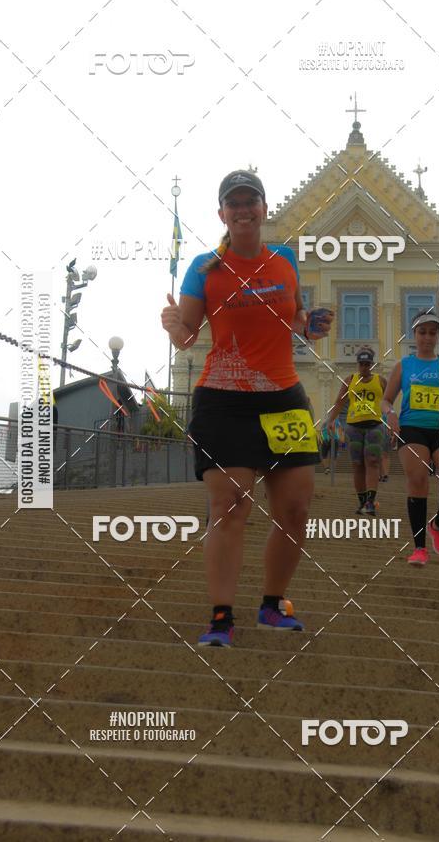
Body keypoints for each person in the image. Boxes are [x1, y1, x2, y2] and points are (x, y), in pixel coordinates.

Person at [160, 170, 333, 646]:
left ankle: (272, 607)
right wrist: (173, 323)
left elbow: (294, 318)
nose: (242, 209)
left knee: (295, 509)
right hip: (224, 400)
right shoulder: (206, 266)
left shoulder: (285, 261)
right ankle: (221, 618)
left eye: (250, 200)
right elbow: (189, 335)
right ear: (222, 214)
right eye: (232, 202)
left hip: (283, 397)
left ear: (263, 208)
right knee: (230, 504)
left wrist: (309, 324)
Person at [382, 310, 439, 566]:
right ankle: (420, 548)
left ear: (437, 336)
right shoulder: (404, 365)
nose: (427, 337)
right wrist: (390, 414)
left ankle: (437, 525)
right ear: (414, 335)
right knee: (418, 478)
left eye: (432, 332)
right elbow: (386, 399)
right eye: (422, 332)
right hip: (411, 427)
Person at [326, 347, 386, 515]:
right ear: (358, 364)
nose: (365, 367)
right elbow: (339, 402)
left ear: (372, 364)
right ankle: (361, 502)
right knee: (357, 464)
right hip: (354, 427)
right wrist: (330, 421)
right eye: (362, 364)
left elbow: (388, 401)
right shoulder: (350, 380)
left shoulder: (381, 381)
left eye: (368, 364)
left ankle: (370, 502)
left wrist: (394, 421)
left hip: (375, 425)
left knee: (373, 461)